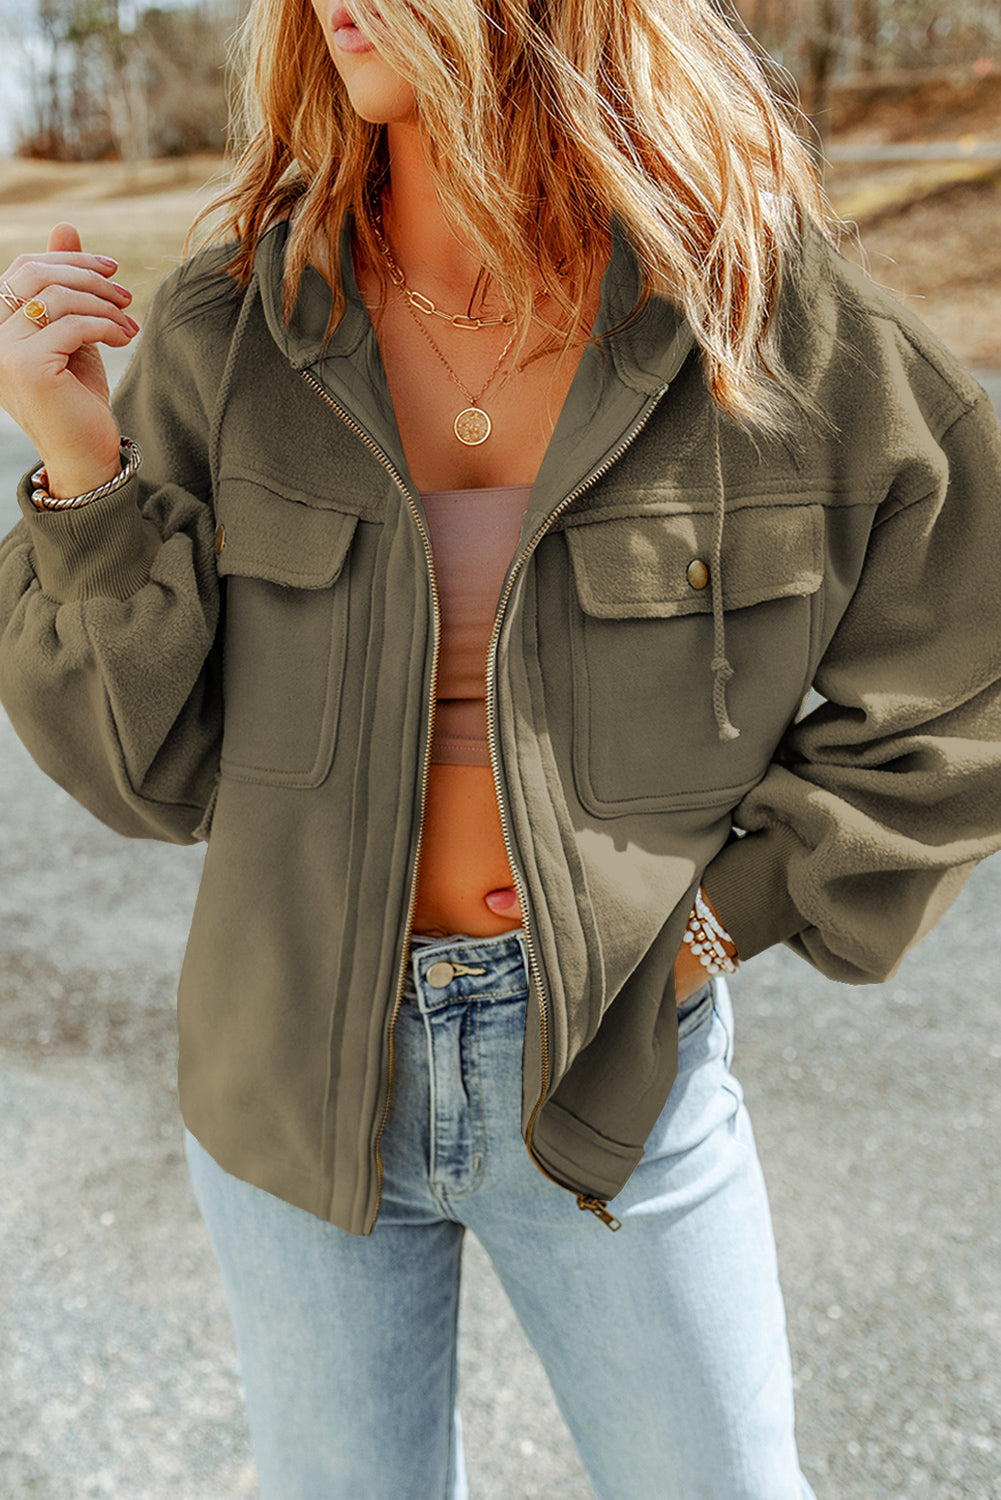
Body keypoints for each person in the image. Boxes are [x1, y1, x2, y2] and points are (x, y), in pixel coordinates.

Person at [1, 0, 999, 1492]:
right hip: (289, 1074)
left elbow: (961, 688)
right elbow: (148, 774)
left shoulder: (767, 323)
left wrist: (705, 941)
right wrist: (80, 466)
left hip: (613, 1066)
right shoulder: (230, 328)